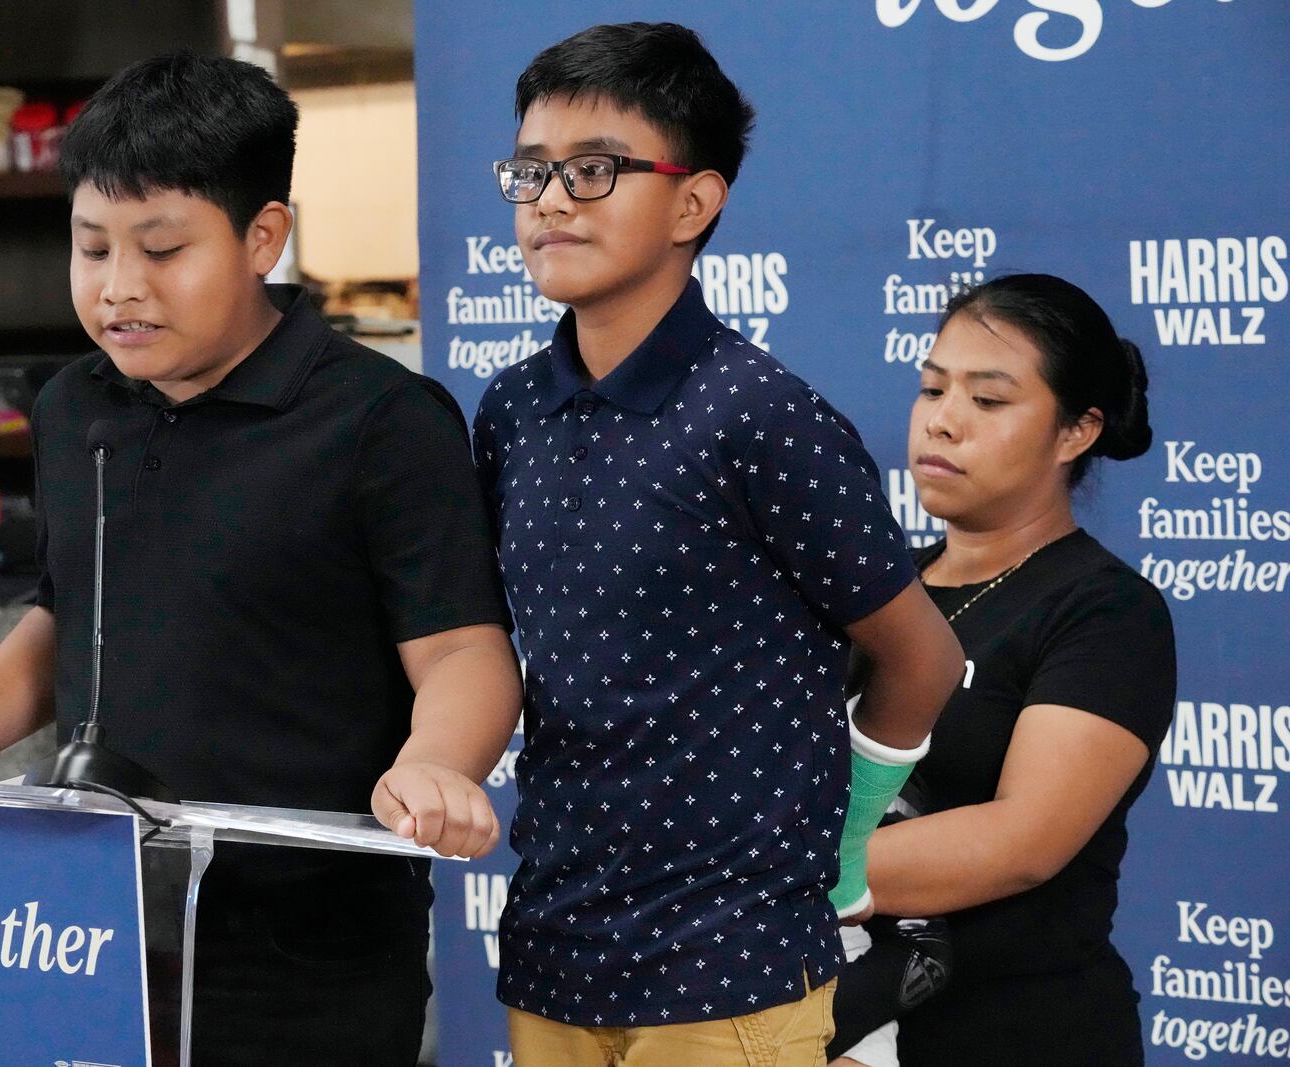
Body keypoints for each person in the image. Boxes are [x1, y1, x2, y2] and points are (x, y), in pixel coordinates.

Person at [0, 51, 523, 1067]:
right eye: (91, 248)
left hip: (305, 957)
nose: (119, 288)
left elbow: (460, 650)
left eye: (163, 248)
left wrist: (436, 762)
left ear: (262, 237)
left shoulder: (380, 419)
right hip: (91, 929)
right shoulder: (73, 408)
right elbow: (69, 615)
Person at [472, 22, 964, 1067]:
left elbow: (922, 655)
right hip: (554, 947)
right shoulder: (511, 410)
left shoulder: (758, 415)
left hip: (729, 966)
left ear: (693, 202)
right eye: (531, 171)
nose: (549, 199)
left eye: (593, 170)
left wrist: (844, 845)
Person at [830, 273, 1176, 1067]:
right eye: (931, 388)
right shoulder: (873, 594)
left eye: (988, 401)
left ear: (1076, 431)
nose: (942, 422)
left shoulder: (1108, 610)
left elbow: (1023, 840)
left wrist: (771, 867)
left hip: (1024, 1035)